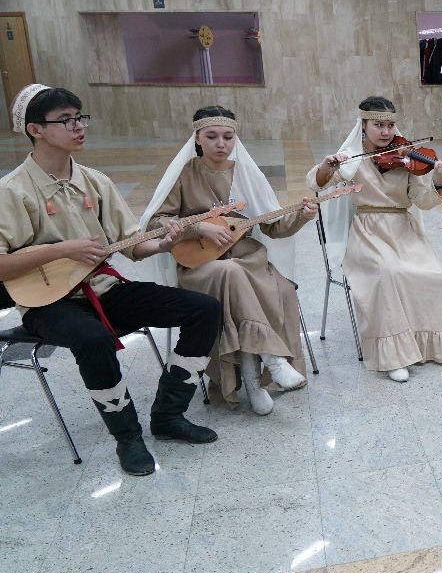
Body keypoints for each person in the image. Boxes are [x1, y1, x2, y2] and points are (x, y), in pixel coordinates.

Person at [0, 85, 221, 476]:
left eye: (79, 117)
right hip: (46, 304)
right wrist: (61, 250)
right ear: (35, 130)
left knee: (203, 309)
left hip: (104, 288)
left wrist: (164, 243)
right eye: (65, 120)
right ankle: (128, 438)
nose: (78, 126)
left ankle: (168, 415)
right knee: (93, 339)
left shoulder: (96, 182)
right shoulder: (12, 190)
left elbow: (132, 245)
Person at [140, 106, 316, 415]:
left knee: (277, 288)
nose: (221, 144)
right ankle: (271, 362)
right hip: (200, 266)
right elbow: (155, 223)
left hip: (248, 260)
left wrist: (301, 216)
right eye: (212, 136)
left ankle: (253, 380)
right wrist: (198, 227)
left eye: (228, 136)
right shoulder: (185, 173)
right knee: (229, 272)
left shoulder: (247, 173)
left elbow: (272, 227)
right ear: (197, 138)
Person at [307, 96, 442, 382]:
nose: (386, 132)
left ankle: (422, 342)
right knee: (387, 273)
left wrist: (438, 181)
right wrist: (328, 166)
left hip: (403, 228)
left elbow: (423, 200)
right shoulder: (350, 158)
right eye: (378, 125)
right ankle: (393, 355)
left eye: (390, 125)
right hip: (368, 230)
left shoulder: (406, 155)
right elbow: (314, 182)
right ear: (363, 125)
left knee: (436, 275)